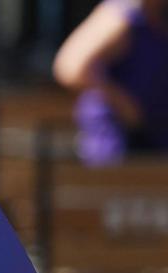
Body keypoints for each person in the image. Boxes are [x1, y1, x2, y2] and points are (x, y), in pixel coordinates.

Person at [54, 0, 168, 166]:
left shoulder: (158, 16)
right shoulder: (120, 16)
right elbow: (70, 68)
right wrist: (121, 102)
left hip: (154, 138)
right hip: (117, 142)